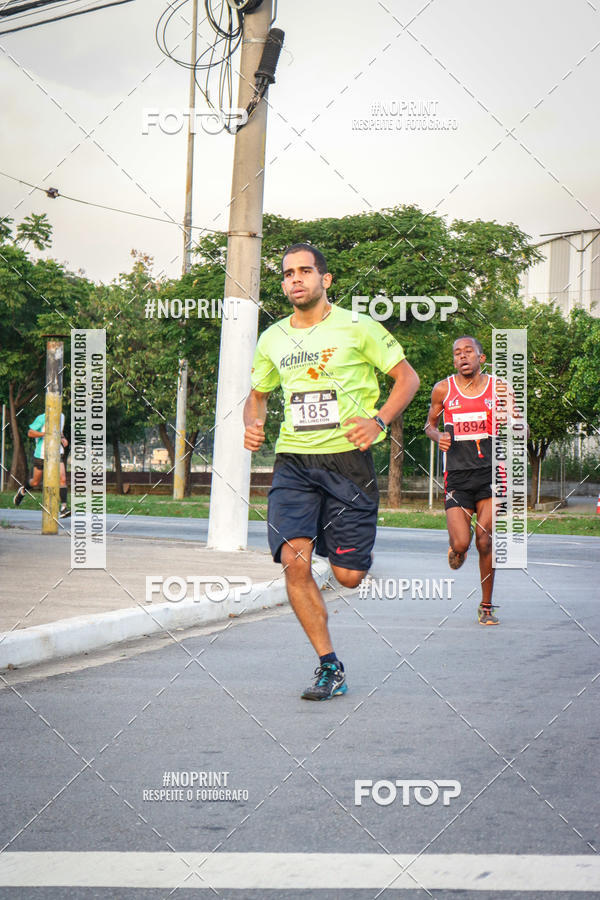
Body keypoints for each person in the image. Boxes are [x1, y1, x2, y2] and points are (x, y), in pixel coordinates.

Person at [244, 243, 420, 699]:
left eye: (305, 271)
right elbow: (258, 393)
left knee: (348, 577)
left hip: (347, 462)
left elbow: (408, 378)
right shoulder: (273, 338)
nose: (295, 279)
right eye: (287, 274)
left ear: (326, 279)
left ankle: (341, 546)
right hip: (294, 462)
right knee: (294, 562)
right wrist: (253, 423)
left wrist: (378, 420)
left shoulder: (359, 328)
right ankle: (329, 666)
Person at [424, 336, 500, 625]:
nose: (462, 356)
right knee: (463, 543)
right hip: (456, 476)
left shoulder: (498, 389)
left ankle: (487, 606)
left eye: (469, 352)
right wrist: (437, 435)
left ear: (481, 358)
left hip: (491, 474)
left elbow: (521, 422)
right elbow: (429, 424)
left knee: (484, 540)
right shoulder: (443, 389)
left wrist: (519, 427)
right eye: (457, 353)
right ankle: (456, 546)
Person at [13, 411, 70, 518]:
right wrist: (45, 434)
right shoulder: (42, 418)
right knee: (35, 482)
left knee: (62, 479)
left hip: (57, 453)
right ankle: (23, 490)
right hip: (42, 454)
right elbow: (30, 433)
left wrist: (63, 438)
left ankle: (63, 508)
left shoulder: (62, 416)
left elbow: (59, 432)